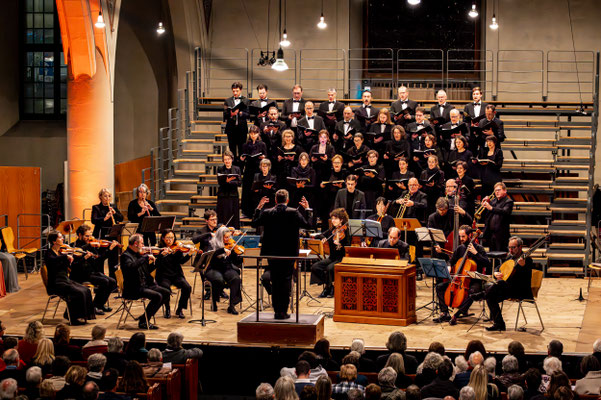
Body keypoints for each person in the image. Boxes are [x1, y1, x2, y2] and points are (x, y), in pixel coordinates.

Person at [253, 189, 312, 319]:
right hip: (288, 253)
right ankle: (283, 311)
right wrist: (307, 209)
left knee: (275, 280)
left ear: (275, 200)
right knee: (285, 280)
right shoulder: (294, 212)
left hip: (272, 253)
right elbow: (308, 225)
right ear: (287, 200)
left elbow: (254, 223)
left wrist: (259, 208)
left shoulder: (267, 212)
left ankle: (276, 311)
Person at [120, 233, 171, 329]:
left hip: (145, 285)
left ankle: (145, 317)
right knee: (157, 296)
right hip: (133, 288)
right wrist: (145, 257)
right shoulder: (125, 256)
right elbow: (131, 267)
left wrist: (160, 257)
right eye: (142, 243)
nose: (143, 246)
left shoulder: (139, 255)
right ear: (135, 244)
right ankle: (143, 322)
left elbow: (149, 270)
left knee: (166, 292)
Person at [485, 236, 533, 331]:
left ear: (520, 247)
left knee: (496, 286)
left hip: (520, 290)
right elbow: (499, 267)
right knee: (490, 297)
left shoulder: (527, 259)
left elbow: (526, 278)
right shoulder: (509, 257)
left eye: (513, 247)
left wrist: (523, 266)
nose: (510, 250)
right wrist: (495, 273)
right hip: (508, 289)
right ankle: (499, 324)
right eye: (509, 247)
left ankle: (482, 294)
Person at [45, 232, 95, 324]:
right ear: (54, 241)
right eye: (60, 237)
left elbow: (70, 267)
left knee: (86, 290)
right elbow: (52, 260)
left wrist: (73, 259)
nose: (63, 239)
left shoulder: (61, 252)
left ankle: (82, 316)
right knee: (78, 292)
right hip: (56, 283)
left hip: (65, 280)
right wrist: (65, 257)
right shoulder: (49, 253)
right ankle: (73, 318)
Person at [71, 224, 117, 314]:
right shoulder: (74, 246)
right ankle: (95, 306)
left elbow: (99, 259)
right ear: (80, 235)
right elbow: (74, 265)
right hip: (80, 274)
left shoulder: (90, 245)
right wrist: (85, 255)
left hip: (91, 272)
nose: (89, 238)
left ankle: (99, 304)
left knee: (112, 281)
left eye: (90, 235)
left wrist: (110, 249)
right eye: (87, 236)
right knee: (104, 282)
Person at [310, 208, 350, 298]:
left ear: (341, 220)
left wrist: (340, 244)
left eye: (335, 219)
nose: (333, 221)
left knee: (329, 268)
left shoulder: (347, 231)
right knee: (315, 267)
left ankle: (327, 289)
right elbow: (319, 235)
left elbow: (348, 246)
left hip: (341, 258)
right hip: (332, 258)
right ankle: (330, 286)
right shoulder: (332, 230)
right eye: (332, 219)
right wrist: (322, 237)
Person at [156, 229, 195, 319]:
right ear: (163, 238)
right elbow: (156, 264)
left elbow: (181, 261)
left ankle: (180, 309)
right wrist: (161, 255)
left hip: (176, 275)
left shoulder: (177, 248)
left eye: (172, 238)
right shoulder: (159, 249)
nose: (170, 240)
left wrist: (189, 254)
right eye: (168, 237)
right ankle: (167, 309)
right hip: (163, 276)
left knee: (187, 287)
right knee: (165, 288)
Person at [205, 226, 243, 314]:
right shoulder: (211, 244)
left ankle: (232, 305)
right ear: (220, 237)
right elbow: (211, 256)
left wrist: (237, 254)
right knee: (218, 280)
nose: (228, 239)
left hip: (226, 268)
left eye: (229, 237)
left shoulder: (230, 245)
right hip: (214, 268)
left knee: (236, 278)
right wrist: (222, 250)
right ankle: (214, 301)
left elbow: (236, 262)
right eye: (226, 237)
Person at [91, 188, 123, 278]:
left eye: (109, 196)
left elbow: (121, 218)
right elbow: (94, 220)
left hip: (112, 235)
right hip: (101, 235)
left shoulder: (113, 206)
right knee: (100, 258)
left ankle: (113, 281)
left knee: (113, 259)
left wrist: (115, 213)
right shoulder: (96, 208)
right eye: (105, 196)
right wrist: (105, 218)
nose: (107, 198)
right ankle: (101, 279)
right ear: (100, 197)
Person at [241, 125, 268, 217]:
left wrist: (263, 157)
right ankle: (246, 212)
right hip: (248, 169)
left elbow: (265, 156)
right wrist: (242, 158)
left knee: (256, 190)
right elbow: (243, 156)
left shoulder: (262, 144)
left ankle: (257, 211)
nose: (253, 135)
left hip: (257, 170)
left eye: (255, 133)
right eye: (251, 133)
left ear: (258, 134)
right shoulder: (245, 145)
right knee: (247, 189)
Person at [481, 182, 513, 252]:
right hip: (491, 235)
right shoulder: (493, 201)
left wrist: (491, 208)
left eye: (499, 190)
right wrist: (483, 204)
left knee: (501, 254)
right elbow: (486, 215)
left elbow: (505, 211)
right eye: (495, 190)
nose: (497, 192)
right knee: (492, 254)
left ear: (505, 190)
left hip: (502, 235)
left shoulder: (508, 201)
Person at [223, 81, 250, 161]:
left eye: (237, 91)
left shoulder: (246, 100)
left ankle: (241, 167)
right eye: (233, 91)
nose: (235, 93)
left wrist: (240, 113)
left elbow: (248, 115)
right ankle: (233, 167)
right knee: (232, 150)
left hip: (242, 129)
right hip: (231, 129)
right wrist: (231, 114)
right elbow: (225, 115)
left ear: (240, 90)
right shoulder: (227, 101)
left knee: (242, 149)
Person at [216, 150, 242, 229]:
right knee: (223, 216)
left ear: (232, 159)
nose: (227, 161)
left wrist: (229, 182)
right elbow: (220, 182)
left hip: (233, 195)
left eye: (228, 159)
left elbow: (239, 182)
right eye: (225, 159)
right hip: (223, 195)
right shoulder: (220, 169)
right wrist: (227, 181)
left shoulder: (237, 169)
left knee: (234, 216)